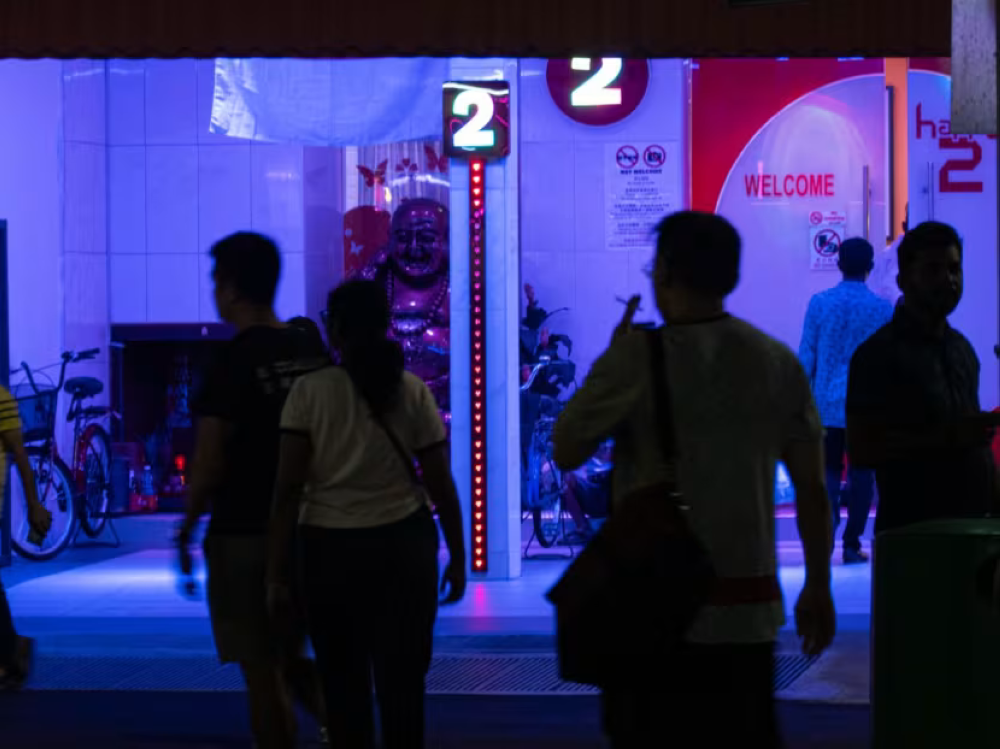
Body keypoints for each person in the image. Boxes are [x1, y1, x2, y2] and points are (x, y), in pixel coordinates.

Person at [551, 210, 836, 748]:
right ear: (730, 275)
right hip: (749, 616)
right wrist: (817, 587)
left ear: (663, 272)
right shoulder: (776, 362)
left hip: (652, 613)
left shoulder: (636, 356)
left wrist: (611, 363)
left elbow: (567, 448)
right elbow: (812, 489)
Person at [267, 278, 467, 749]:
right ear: (385, 325)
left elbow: (288, 490)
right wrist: (458, 555)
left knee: (344, 691)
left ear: (334, 330)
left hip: (330, 552)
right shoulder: (412, 390)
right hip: (404, 550)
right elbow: (440, 483)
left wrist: (277, 574)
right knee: (403, 691)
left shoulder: (310, 394)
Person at [175, 232, 329, 749]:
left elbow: (210, 460)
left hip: (246, 536)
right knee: (294, 655)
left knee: (262, 670)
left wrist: (187, 528)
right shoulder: (312, 352)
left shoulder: (229, 363)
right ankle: (349, 733)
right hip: (315, 535)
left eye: (216, 280)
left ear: (233, 288)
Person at [847, 221, 1000, 535]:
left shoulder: (963, 350)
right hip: (912, 537)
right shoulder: (877, 354)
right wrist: (949, 437)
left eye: (954, 269)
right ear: (903, 280)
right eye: (932, 270)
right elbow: (862, 450)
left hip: (974, 532)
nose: (948, 279)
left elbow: (973, 446)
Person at [799, 238, 893, 564]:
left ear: (839, 264)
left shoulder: (819, 304)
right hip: (866, 408)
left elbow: (806, 357)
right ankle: (852, 544)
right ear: (870, 267)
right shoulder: (883, 310)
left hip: (824, 405)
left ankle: (824, 537)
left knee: (827, 472)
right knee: (863, 474)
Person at [356, 199, 451, 419]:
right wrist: (369, 270)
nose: (414, 248)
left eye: (426, 238)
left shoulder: (459, 288)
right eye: (403, 238)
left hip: (446, 414)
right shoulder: (375, 282)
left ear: (447, 242)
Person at [0, 386, 52, 689]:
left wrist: (34, 504)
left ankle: (12, 653)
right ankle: (10, 653)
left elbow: (20, 455)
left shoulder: (2, 399)